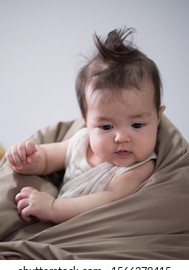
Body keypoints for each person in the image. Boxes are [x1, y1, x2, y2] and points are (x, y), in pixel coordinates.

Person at [5, 27, 165, 224]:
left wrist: (53, 208)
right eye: (106, 127)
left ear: (158, 118)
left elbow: (108, 200)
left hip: (86, 233)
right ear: (86, 121)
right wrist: (28, 158)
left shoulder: (140, 167)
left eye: (137, 124)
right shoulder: (81, 141)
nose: (122, 137)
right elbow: (47, 158)